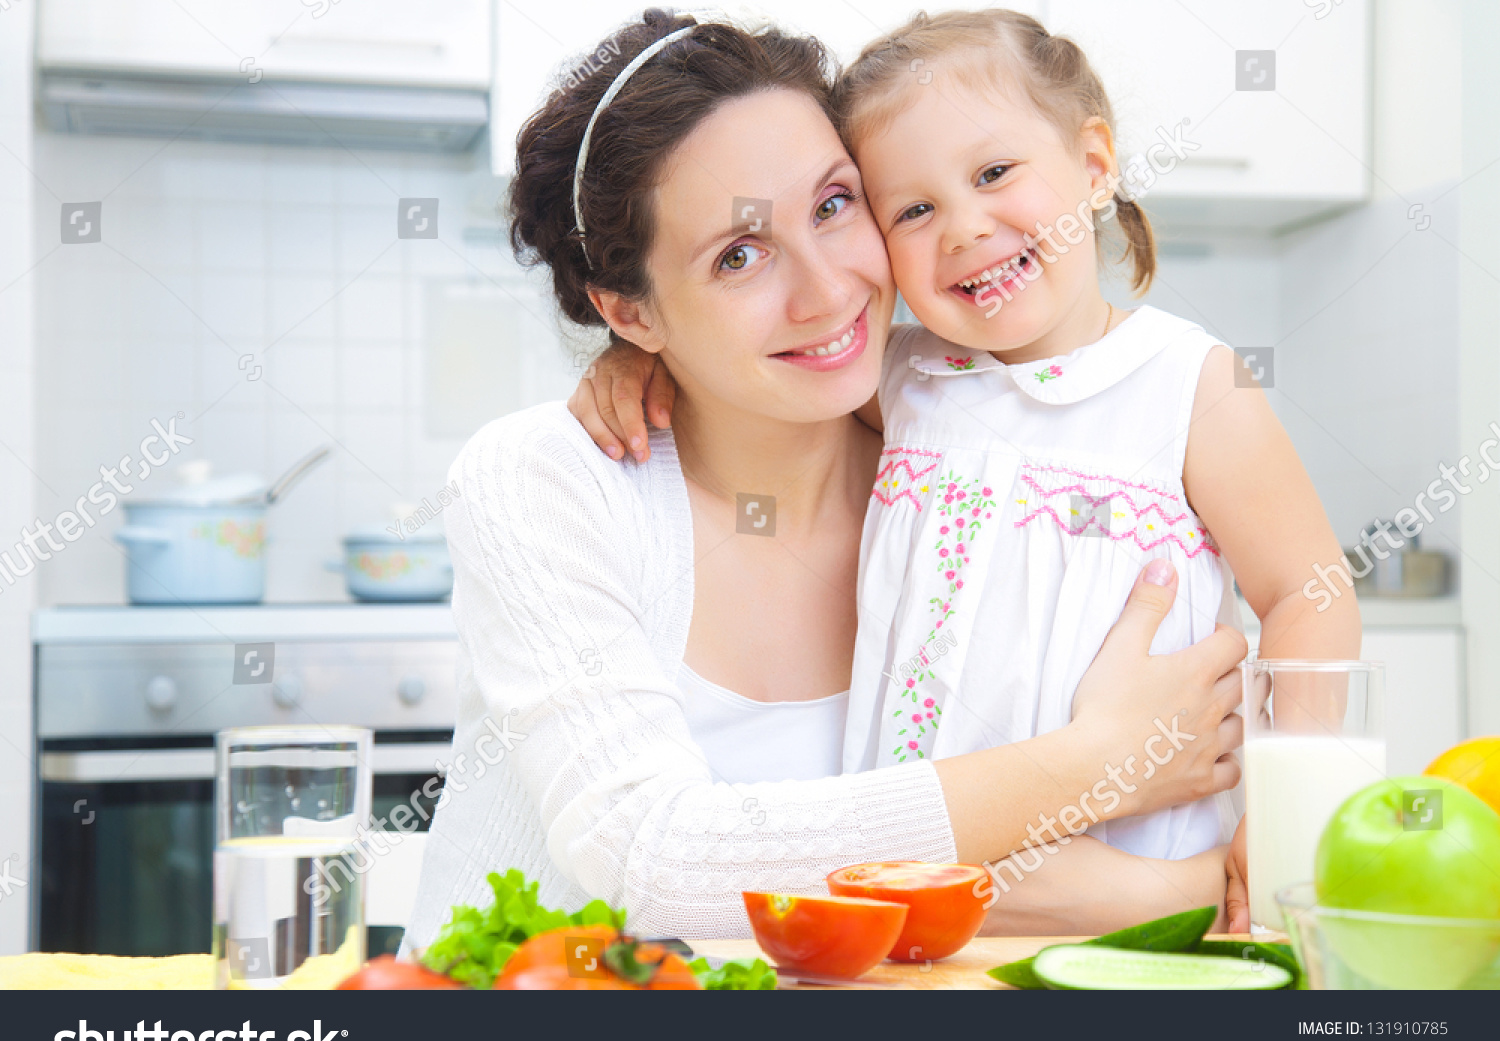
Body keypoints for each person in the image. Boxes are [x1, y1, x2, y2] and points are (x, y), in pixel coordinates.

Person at [402, 10, 1247, 952]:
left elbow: (999, 870)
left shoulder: (965, 473)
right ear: (628, 312)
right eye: (737, 256)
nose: (828, 290)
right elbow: (657, 865)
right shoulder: (548, 480)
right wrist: (1098, 766)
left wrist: (1192, 862)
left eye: (835, 204)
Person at [571, 10, 1359, 880]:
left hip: (1141, 878)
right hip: (924, 881)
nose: (965, 228)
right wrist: (638, 361)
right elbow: (741, 379)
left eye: (993, 172)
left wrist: (1294, 807)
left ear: (1094, 167)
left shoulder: (1192, 386)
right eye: (912, 209)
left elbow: (1308, 591)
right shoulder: (903, 383)